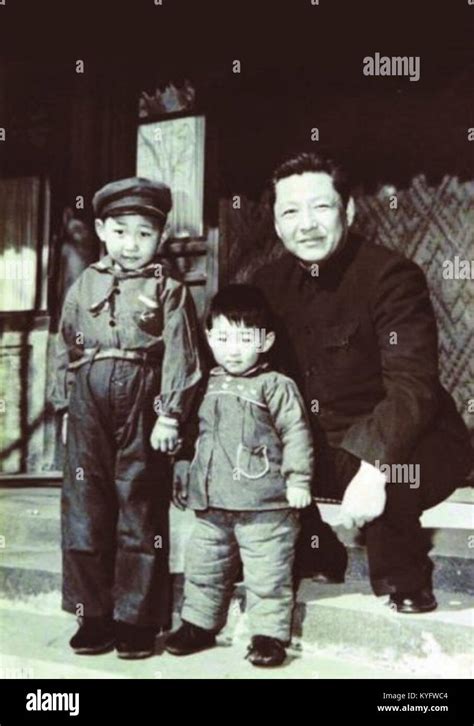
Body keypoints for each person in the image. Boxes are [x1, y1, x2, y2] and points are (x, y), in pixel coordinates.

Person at [252, 152, 473, 613]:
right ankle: (315, 549)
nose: (306, 224)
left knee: (393, 471)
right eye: (290, 211)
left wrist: (374, 468)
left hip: (413, 436)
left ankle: (406, 577)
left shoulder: (390, 276)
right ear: (276, 224)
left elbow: (413, 387)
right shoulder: (266, 285)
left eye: (321, 207)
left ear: (347, 212)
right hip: (320, 442)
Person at [53, 177, 202, 659]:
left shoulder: (171, 290)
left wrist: (170, 415)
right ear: (101, 230)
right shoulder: (84, 284)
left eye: (144, 233)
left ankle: (137, 620)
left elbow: (182, 356)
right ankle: (92, 615)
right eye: (120, 231)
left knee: (139, 507)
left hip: (144, 398)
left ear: (160, 238)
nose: (131, 243)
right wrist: (63, 407)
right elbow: (64, 345)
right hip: (87, 403)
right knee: (84, 506)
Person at [166, 284, 314, 666]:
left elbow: (297, 433)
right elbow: (194, 433)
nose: (233, 348)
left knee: (268, 574)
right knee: (203, 566)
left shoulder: (276, 386)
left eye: (245, 338)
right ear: (210, 337)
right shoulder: (206, 384)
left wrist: (298, 479)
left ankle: (268, 636)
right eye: (224, 337)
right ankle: (198, 624)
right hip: (213, 505)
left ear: (264, 340)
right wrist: (184, 467)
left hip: (265, 506)